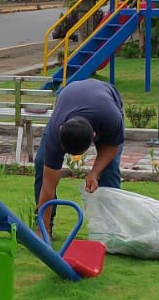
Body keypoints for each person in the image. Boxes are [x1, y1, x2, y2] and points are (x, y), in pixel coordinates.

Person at [34, 78, 126, 222]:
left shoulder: (112, 118)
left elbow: (112, 146)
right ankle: (44, 226)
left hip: (106, 101)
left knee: (109, 169)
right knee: (42, 163)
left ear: (94, 136)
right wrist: (42, 230)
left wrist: (94, 173)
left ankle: (108, 228)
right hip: (70, 99)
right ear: (60, 130)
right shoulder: (56, 130)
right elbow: (48, 186)